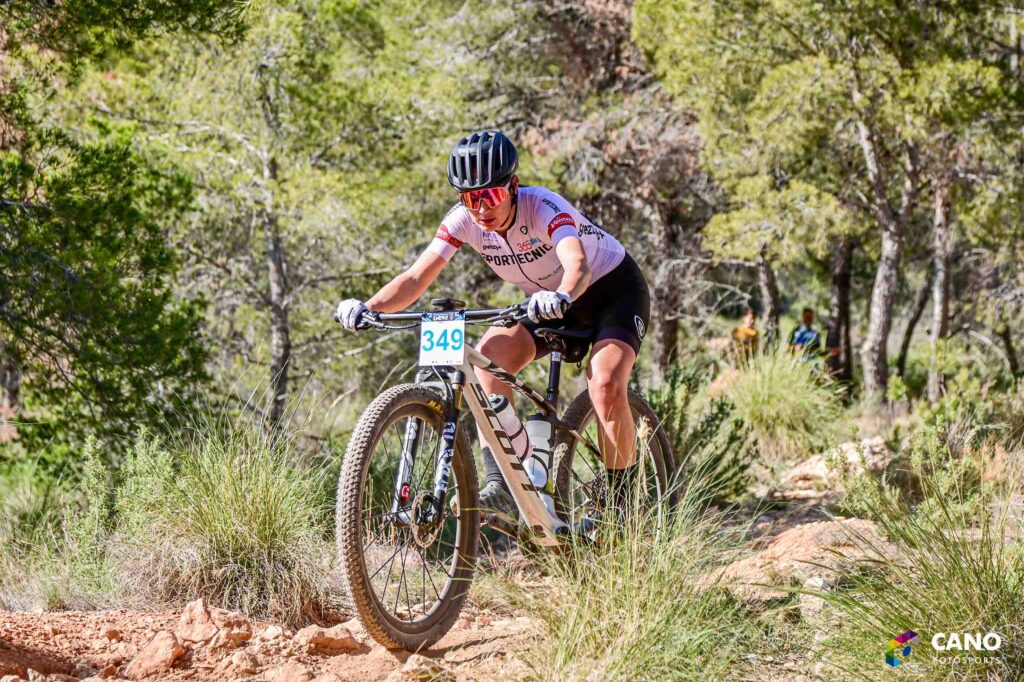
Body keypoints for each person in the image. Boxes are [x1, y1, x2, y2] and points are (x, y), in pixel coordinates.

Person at [335, 130, 650, 527]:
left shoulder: (543, 206)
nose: (480, 208)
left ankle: (623, 512)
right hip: (546, 300)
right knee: (486, 365)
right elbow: (416, 279)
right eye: (470, 198)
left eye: (491, 196)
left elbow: (578, 265)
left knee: (604, 382)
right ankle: (507, 482)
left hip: (608, 290)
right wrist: (367, 306)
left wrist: (564, 295)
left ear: (513, 186)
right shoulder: (464, 221)